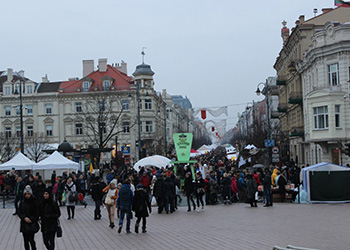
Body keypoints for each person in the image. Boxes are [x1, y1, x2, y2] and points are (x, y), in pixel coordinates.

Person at [18, 185, 39, 250]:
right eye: (26, 194)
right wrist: (24, 218)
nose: (27, 195)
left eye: (28, 194)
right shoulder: (22, 202)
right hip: (24, 223)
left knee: (31, 239)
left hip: (32, 223)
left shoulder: (34, 202)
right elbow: (19, 212)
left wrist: (32, 219)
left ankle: (34, 248)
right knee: (25, 240)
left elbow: (37, 213)